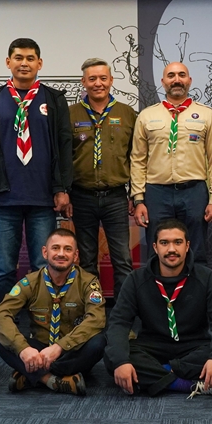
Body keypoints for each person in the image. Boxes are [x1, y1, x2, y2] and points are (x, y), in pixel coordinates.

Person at [0, 38, 73, 303]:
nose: (24, 63)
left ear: (39, 63)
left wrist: (62, 188)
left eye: (30, 58)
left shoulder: (53, 99)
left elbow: (65, 147)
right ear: (8, 62)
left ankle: (41, 322)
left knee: (43, 265)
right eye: (18, 57)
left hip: (43, 198)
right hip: (4, 196)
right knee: (5, 268)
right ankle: (6, 325)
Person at [104, 218, 212, 398]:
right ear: (155, 247)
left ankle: (156, 376)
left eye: (178, 242)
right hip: (152, 347)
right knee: (114, 359)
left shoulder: (206, 277)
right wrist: (121, 362)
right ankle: (185, 384)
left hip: (193, 346)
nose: (171, 249)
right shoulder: (136, 279)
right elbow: (119, 323)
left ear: (187, 246)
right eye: (164, 243)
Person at [0, 228, 106, 396]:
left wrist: (60, 347)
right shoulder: (30, 282)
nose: (61, 253)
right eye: (55, 248)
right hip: (39, 350)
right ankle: (54, 380)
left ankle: (31, 374)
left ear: (75, 255)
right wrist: (23, 349)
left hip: (70, 350)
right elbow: (0, 316)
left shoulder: (89, 283)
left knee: (98, 342)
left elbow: (96, 319)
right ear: (45, 252)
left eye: (67, 249)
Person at [130, 62, 212, 265]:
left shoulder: (207, 115)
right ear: (163, 82)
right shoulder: (147, 116)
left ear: (189, 81)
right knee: (158, 251)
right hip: (157, 193)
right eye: (171, 75)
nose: (176, 80)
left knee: (196, 251)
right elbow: (137, 160)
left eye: (182, 75)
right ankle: (159, 296)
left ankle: (195, 296)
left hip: (194, 192)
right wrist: (138, 199)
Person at [69, 58, 137, 299]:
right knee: (86, 261)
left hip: (116, 197)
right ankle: (93, 314)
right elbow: (63, 158)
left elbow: (137, 158)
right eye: (92, 79)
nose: (98, 83)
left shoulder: (128, 114)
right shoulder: (70, 114)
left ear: (111, 80)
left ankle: (122, 317)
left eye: (103, 78)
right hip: (81, 196)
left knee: (123, 260)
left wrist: (135, 196)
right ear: (84, 82)